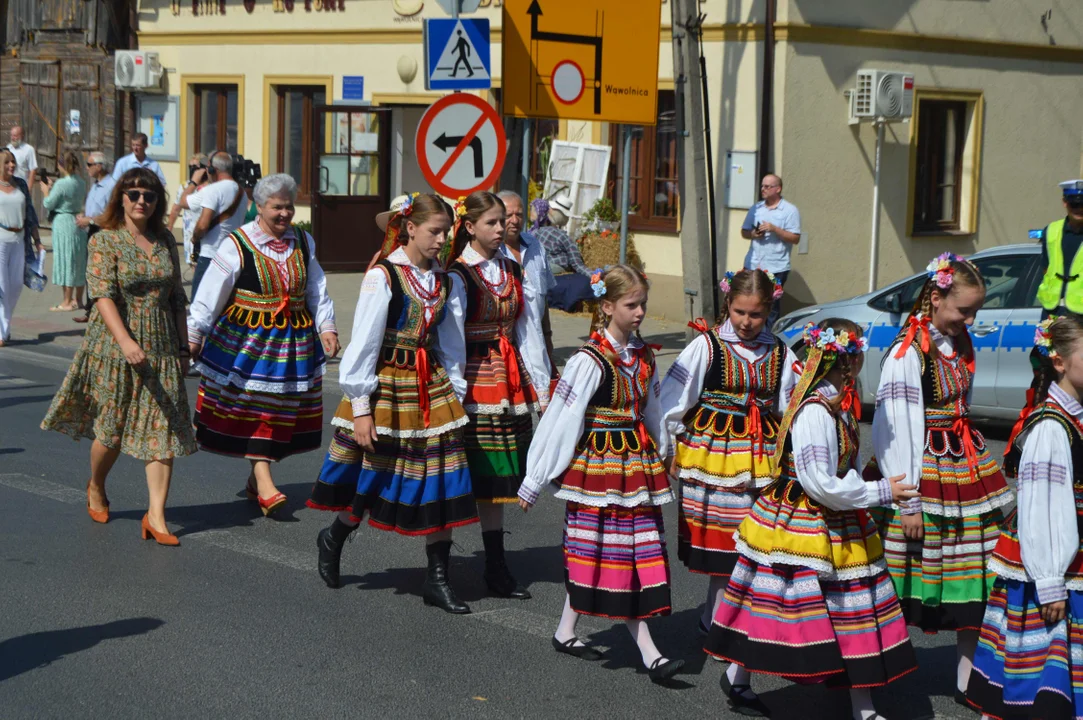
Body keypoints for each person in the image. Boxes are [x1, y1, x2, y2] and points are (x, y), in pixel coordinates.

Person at [706, 319, 918, 720]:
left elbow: (843, 469)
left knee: (849, 608)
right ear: (849, 363)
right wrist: (880, 492)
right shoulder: (815, 412)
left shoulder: (838, 407)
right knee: (784, 604)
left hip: (837, 517)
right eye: (857, 358)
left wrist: (865, 491)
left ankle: (862, 704)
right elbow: (820, 483)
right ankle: (738, 676)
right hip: (802, 517)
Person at [309, 193, 480, 613]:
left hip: (430, 384)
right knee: (372, 476)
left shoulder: (445, 280)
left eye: (446, 231)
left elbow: (451, 342)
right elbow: (363, 346)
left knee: (441, 478)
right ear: (409, 228)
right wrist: (361, 407)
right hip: (386, 385)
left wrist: (454, 394)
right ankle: (336, 535)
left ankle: (436, 578)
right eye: (434, 231)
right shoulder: (383, 276)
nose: (442, 239)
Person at [519, 264, 685, 683]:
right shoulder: (589, 360)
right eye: (632, 305)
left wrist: (665, 452)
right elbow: (562, 418)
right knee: (616, 551)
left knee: (609, 550)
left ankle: (565, 630)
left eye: (643, 303)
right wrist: (536, 477)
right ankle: (651, 654)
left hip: (636, 466)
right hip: (600, 469)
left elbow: (653, 411)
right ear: (608, 306)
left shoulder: (643, 356)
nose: (640, 312)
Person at [866, 252, 1012, 708]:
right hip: (923, 478)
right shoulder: (908, 353)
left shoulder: (958, 341)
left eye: (974, 310)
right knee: (887, 581)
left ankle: (968, 680)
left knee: (975, 579)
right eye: (963, 309)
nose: (969, 318)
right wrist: (908, 503)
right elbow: (894, 430)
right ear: (935, 297)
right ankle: (861, 676)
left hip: (963, 469)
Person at [40, 168, 196, 545]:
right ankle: (96, 484)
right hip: (114, 342)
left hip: (159, 340)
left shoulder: (163, 241)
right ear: (120, 198)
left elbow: (176, 297)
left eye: (150, 195)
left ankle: (156, 516)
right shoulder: (105, 240)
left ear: (158, 202)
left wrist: (182, 345)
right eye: (134, 193)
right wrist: (125, 341)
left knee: (164, 427)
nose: (141, 200)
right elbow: (103, 295)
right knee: (111, 428)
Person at [188, 174, 338, 516]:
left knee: (282, 409)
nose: (285, 214)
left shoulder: (302, 240)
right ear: (259, 206)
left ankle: (258, 478)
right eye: (277, 207)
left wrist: (326, 326)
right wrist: (195, 334)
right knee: (259, 408)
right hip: (248, 343)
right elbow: (211, 291)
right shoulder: (238, 243)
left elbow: (316, 286)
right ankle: (265, 482)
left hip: (294, 341)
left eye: (289, 206)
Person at [659, 268, 798, 635]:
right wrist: (669, 446)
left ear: (769, 310)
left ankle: (726, 618)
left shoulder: (781, 351)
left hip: (763, 457)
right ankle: (718, 621)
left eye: (756, 314)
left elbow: (792, 406)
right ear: (728, 305)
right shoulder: (707, 346)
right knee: (725, 544)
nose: (747, 322)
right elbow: (672, 400)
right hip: (714, 459)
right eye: (739, 312)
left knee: (755, 540)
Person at [964, 316, 1083, 718]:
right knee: (1039, 671)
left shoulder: (1075, 418)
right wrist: (1049, 581)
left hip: (1072, 560)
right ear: (1061, 362)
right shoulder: (1051, 426)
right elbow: (1040, 507)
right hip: (1051, 565)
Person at [443, 191, 542, 601]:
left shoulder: (513, 267)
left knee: (496, 478)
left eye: (504, 222)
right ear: (469, 227)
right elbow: (449, 340)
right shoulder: (458, 274)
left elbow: (528, 330)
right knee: (450, 474)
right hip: (469, 379)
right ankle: (439, 568)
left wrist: (542, 385)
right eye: (492, 223)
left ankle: (496, 566)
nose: (502, 229)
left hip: (506, 380)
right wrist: (453, 395)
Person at [498, 190, 556, 408]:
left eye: (519, 215)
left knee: (544, 407)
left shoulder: (535, 245)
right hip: (507, 350)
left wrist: (548, 338)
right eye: (508, 215)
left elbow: (544, 298)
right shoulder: (490, 252)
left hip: (537, 344)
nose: (514, 221)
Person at [178, 151, 248, 296]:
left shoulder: (213, 190)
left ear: (212, 169)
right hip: (233, 257)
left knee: (199, 308)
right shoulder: (242, 192)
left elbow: (183, 202)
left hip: (210, 257)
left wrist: (193, 182)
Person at [741, 173, 801, 328]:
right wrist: (754, 234)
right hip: (753, 264)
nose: (763, 189)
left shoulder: (789, 210)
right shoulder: (756, 208)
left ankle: (769, 340)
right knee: (749, 302)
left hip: (776, 267)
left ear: (778, 189)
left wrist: (775, 229)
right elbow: (744, 231)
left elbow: (795, 238)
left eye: (767, 186)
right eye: (762, 186)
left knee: (770, 306)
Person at [0, 148, 42, 347]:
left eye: (13, 162)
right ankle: (2, 332)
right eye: (7, 162)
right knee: (1, 286)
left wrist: (37, 241)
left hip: (19, 239)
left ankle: (3, 327)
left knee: (16, 285)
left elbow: (31, 214)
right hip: (0, 238)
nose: (11, 166)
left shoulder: (22, 185)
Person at [41, 150, 88, 312]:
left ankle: (66, 301)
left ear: (62, 164)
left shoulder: (62, 183)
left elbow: (49, 203)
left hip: (63, 222)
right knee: (79, 260)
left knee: (65, 260)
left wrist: (46, 191)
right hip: (77, 220)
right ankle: (79, 300)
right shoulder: (81, 182)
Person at [529, 197, 594, 312]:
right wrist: (594, 276)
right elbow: (577, 264)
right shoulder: (563, 237)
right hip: (553, 271)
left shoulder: (534, 232)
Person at [74, 153, 117, 325]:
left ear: (99, 166)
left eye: (89, 164)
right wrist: (84, 216)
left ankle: (98, 310)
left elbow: (110, 215)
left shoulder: (110, 186)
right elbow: (95, 209)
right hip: (92, 230)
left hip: (103, 231)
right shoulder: (96, 185)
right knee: (90, 271)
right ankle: (90, 309)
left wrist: (90, 220)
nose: (87, 167)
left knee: (100, 271)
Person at [1036, 179, 1083, 320]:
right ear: (1065, 202)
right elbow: (1046, 268)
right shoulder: (1051, 230)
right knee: (1048, 343)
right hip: (1053, 309)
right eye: (1074, 204)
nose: (1079, 208)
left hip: (1081, 313)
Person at [167, 153, 209, 267]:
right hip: (189, 233)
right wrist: (169, 228)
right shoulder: (185, 186)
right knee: (192, 264)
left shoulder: (209, 187)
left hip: (204, 232)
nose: (192, 171)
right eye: (190, 167)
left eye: (195, 168)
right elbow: (176, 208)